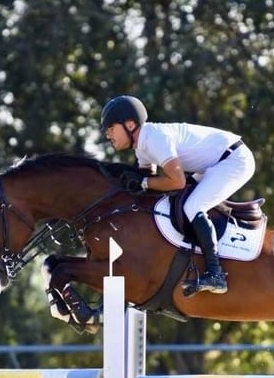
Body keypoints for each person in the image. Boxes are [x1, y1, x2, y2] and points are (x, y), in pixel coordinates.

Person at [100, 95, 256, 296]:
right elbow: (145, 182)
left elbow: (176, 181)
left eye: (111, 128)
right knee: (179, 201)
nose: (108, 135)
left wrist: (144, 182)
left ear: (130, 125)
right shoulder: (142, 147)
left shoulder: (155, 138)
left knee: (192, 206)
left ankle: (216, 273)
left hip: (235, 160)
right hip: (217, 162)